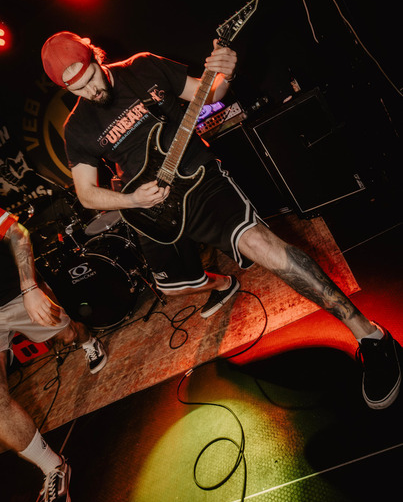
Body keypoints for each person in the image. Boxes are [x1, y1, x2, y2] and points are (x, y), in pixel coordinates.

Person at [41, 30, 401, 412]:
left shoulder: (142, 68)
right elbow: (86, 193)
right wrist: (131, 200)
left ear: (95, 57)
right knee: (174, 288)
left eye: (90, 78)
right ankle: (223, 284)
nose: (89, 91)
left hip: (200, 182)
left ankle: (369, 335)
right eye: (77, 89)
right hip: (150, 209)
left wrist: (224, 74)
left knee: (263, 246)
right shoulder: (77, 129)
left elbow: (210, 93)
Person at [0, 189, 107, 502]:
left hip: (14, 294)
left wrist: (29, 288)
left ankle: (88, 341)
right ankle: (53, 467)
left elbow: (16, 231)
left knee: (68, 334)